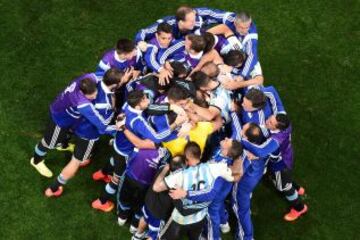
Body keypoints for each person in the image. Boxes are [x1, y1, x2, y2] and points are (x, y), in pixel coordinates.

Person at [44, 69, 124, 197]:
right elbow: (102, 128)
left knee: (81, 155)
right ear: (115, 85)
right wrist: (119, 127)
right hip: (88, 135)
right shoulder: (103, 104)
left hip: (78, 125)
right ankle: (54, 188)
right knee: (75, 161)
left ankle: (84, 157)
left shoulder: (95, 81)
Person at [153, 141, 235, 240]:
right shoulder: (213, 168)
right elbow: (230, 175)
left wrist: (165, 170)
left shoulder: (179, 175)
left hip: (180, 220)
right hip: (199, 218)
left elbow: (156, 188)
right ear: (199, 155)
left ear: (186, 157)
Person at [30, 73, 106, 178]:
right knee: (49, 142)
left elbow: (100, 76)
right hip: (60, 120)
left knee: (67, 133)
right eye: (91, 95)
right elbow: (98, 122)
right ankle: (36, 161)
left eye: (95, 93)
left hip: (68, 116)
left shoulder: (87, 79)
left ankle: (62, 145)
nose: (94, 96)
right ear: (82, 94)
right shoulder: (81, 102)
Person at [265, 113, 308, 221]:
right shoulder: (287, 125)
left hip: (279, 166)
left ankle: (300, 208)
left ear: (277, 128)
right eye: (270, 119)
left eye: (270, 122)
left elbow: (272, 159)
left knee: (284, 187)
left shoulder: (275, 143)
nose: (266, 121)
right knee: (286, 179)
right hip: (287, 156)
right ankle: (298, 188)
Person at [135, 5, 203, 43]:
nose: (195, 22)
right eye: (191, 21)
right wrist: (140, 42)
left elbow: (209, 12)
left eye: (194, 19)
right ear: (181, 22)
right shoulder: (166, 24)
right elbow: (144, 32)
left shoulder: (195, 23)